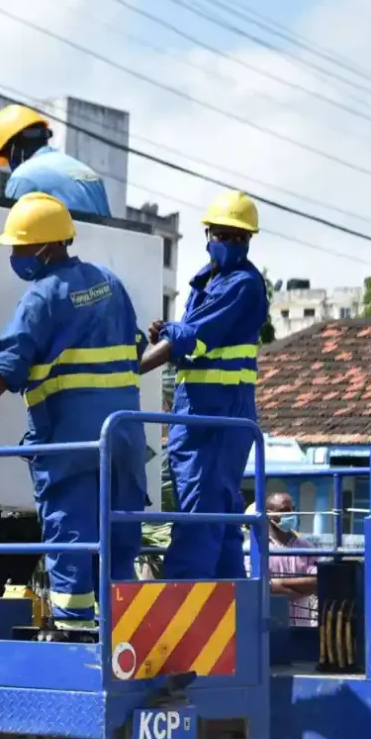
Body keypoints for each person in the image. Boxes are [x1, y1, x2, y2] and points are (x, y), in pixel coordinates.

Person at [0, 192, 147, 629]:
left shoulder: (42, 298)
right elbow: (136, 348)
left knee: (72, 536)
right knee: (119, 536)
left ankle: (76, 632)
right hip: (124, 438)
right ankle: (123, 633)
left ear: (45, 247)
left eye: (19, 247)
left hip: (72, 441)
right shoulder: (110, 282)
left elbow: (5, 370)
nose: (15, 255)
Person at [139, 190, 269, 580]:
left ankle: (180, 605)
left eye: (239, 237)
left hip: (217, 418)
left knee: (200, 516)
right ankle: (233, 602)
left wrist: (136, 366)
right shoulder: (205, 281)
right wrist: (170, 333)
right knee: (222, 517)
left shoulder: (243, 284)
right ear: (208, 234)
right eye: (223, 235)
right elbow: (188, 338)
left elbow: (196, 336)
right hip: (200, 414)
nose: (230, 243)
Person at [0, 104, 112, 218]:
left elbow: (15, 232)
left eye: (6, 155)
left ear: (14, 147)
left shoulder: (22, 177)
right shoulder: (88, 173)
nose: (10, 163)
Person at [247, 493, 318, 625]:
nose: (290, 514)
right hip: (268, 630)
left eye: (292, 509)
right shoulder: (254, 549)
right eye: (284, 511)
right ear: (269, 514)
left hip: (302, 627)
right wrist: (299, 589)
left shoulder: (306, 547)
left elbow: (317, 582)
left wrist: (275, 583)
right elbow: (255, 589)